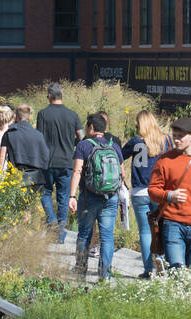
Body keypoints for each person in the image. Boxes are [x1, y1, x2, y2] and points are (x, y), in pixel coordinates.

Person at [147, 117, 191, 270]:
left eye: (181, 136)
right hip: (172, 223)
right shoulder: (164, 160)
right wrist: (169, 195)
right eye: (175, 136)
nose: (177, 140)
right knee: (177, 270)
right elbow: (152, 191)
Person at [68, 114, 124, 279]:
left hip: (89, 197)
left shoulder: (84, 145)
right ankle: (105, 275)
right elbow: (122, 172)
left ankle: (80, 270)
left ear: (91, 128)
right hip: (110, 197)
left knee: (84, 233)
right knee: (107, 236)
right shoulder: (114, 146)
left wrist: (72, 196)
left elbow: (77, 171)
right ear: (104, 129)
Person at [122, 110, 172, 277]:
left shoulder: (135, 142)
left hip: (139, 192)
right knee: (161, 228)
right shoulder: (165, 140)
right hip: (159, 192)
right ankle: (162, 261)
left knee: (144, 231)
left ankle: (147, 270)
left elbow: (119, 156)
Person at [36, 83, 83, 242]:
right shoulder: (73, 115)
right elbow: (82, 137)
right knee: (63, 198)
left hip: (47, 162)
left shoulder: (43, 114)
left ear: (49, 96)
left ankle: (51, 221)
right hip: (67, 162)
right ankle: (60, 233)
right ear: (61, 95)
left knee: (45, 192)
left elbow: (39, 138)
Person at [0, 105, 50, 194]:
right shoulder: (38, 135)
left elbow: (1, 159)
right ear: (29, 117)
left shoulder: (9, 134)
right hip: (36, 178)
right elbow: (46, 157)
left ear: (15, 116)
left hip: (16, 177)